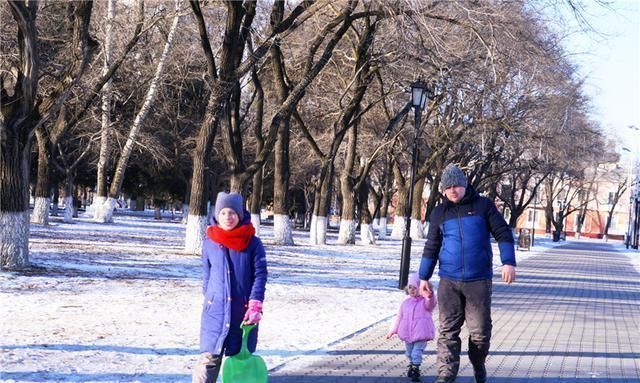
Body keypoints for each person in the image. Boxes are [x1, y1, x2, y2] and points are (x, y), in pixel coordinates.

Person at [419, 164, 516, 383]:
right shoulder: (439, 213)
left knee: (480, 334)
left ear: (464, 185)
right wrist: (423, 277)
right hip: (448, 282)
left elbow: (502, 232)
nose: (452, 190)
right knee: (448, 331)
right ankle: (445, 376)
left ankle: (478, 362)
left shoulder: (483, 206)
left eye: (456, 186)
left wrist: (508, 262)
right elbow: (432, 246)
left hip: (478, 281)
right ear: (443, 190)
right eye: (448, 187)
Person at [193, 192, 268, 383]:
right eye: (223, 212)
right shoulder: (210, 243)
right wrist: (210, 299)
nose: (228, 217)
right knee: (208, 359)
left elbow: (260, 275)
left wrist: (255, 304)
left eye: (232, 212)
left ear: (240, 215)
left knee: (238, 361)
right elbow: (207, 276)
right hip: (215, 312)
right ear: (217, 215)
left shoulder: (253, 244)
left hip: (242, 313)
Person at [386, 273, 438, 382]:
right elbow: (399, 317)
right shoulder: (405, 302)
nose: (412, 290)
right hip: (407, 333)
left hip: (421, 333)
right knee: (409, 353)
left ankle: (416, 369)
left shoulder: (425, 302)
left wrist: (429, 295)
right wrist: (393, 330)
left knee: (416, 352)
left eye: (415, 288)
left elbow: (432, 303)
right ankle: (412, 365)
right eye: (410, 287)